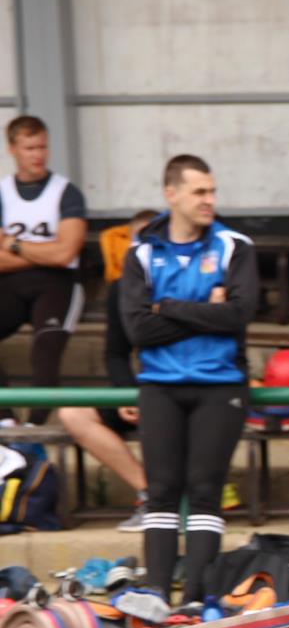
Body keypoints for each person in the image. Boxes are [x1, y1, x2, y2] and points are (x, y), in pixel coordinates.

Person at [120, 155, 258, 607]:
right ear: (171, 194)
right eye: (200, 192)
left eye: (212, 191)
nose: (209, 201)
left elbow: (238, 314)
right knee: (160, 491)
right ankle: (158, 597)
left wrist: (168, 306)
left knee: (204, 490)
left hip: (221, 385)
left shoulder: (235, 246)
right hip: (160, 385)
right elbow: (138, 330)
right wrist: (206, 311)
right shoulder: (140, 252)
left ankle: (198, 601)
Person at [59, 209, 158, 532]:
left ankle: (185, 499)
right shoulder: (120, 289)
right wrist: (126, 395)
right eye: (137, 241)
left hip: (177, 389)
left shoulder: (185, 282)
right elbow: (115, 353)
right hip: (141, 391)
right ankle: (150, 496)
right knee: (73, 414)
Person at [0, 116, 87, 426]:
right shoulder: (2, 192)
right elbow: (55, 251)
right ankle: (6, 423)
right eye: (30, 148)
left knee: (46, 347)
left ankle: (35, 427)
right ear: (13, 149)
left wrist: (14, 245)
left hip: (57, 284)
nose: (38, 154)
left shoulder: (67, 192)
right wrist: (45, 251)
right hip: (10, 284)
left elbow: (66, 254)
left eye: (43, 147)